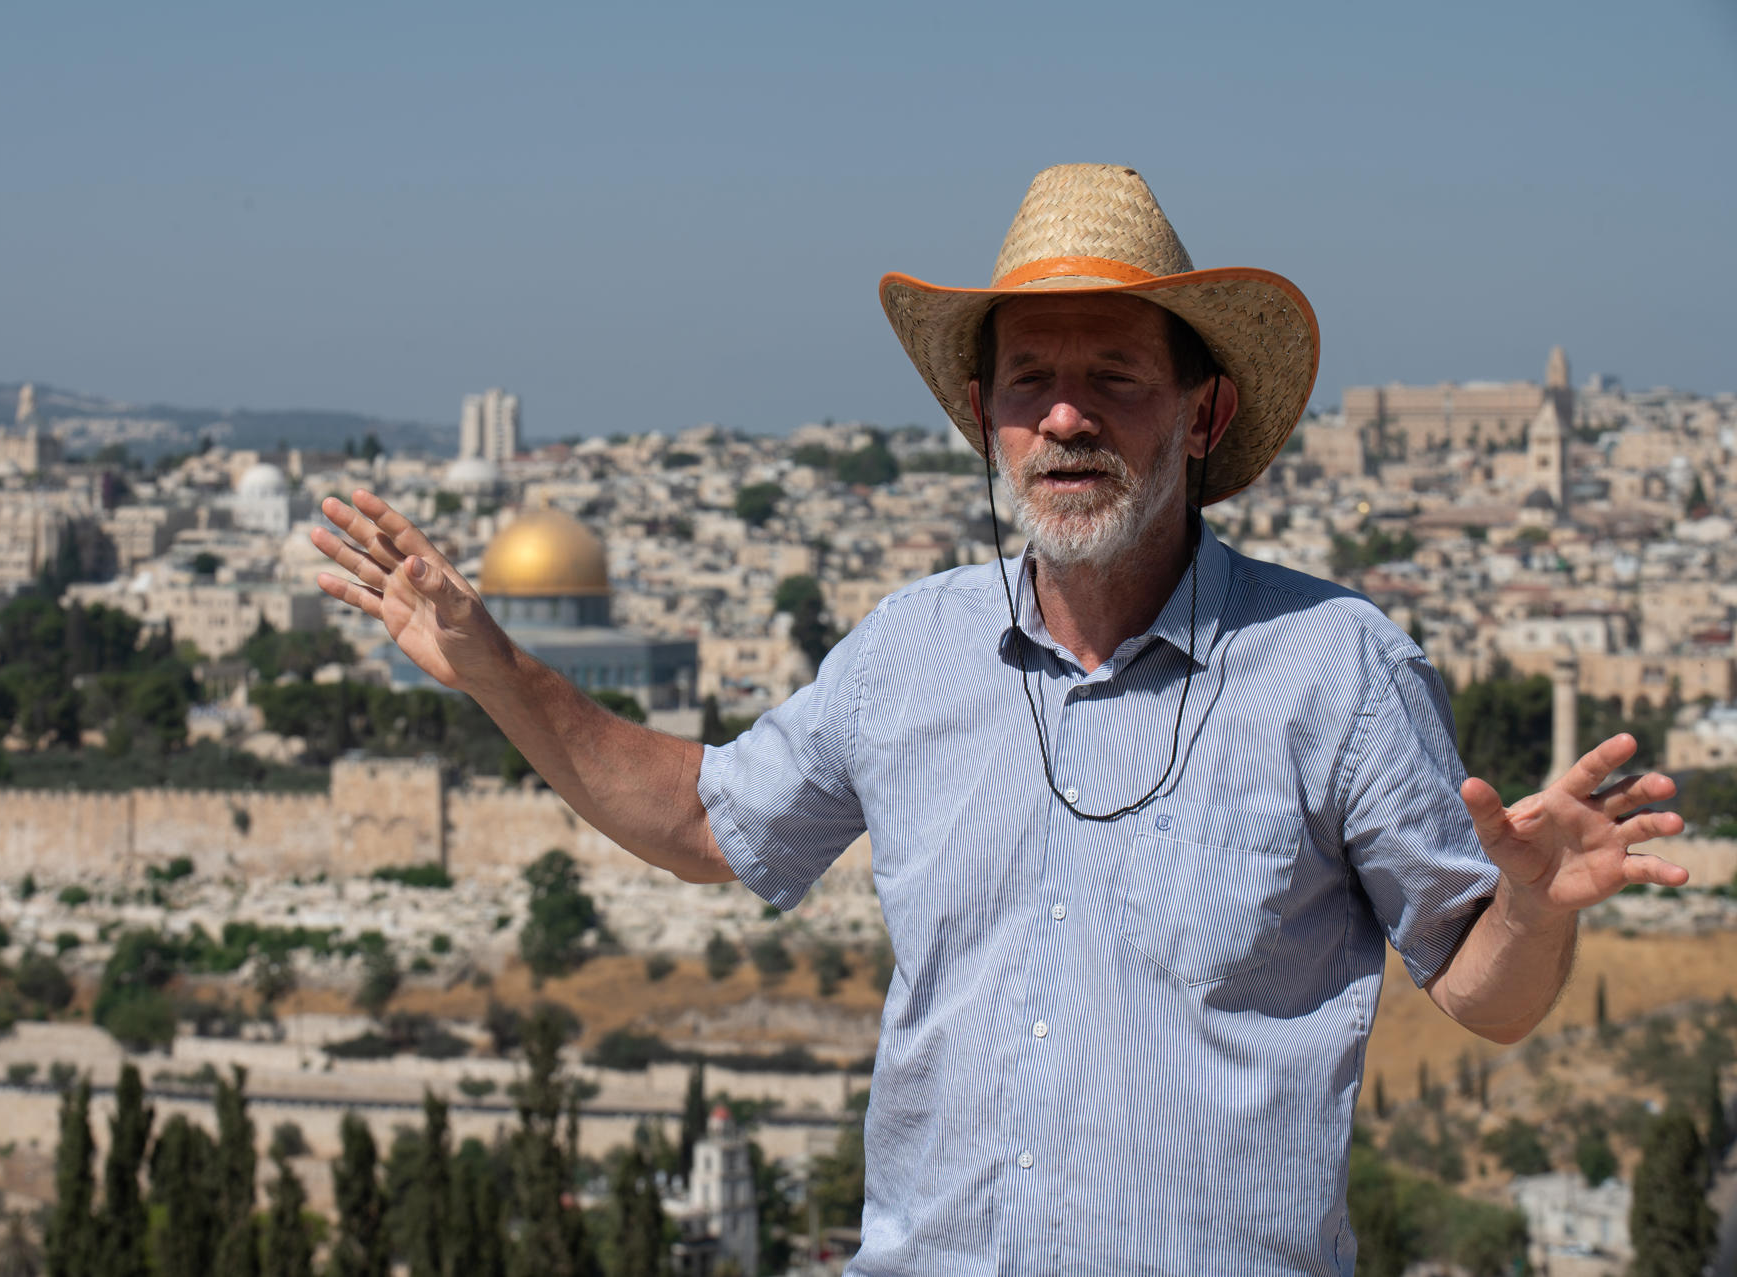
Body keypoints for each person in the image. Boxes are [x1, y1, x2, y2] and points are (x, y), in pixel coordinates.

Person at [310, 164, 1689, 1275]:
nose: (1067, 416)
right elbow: (698, 820)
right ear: (985, 416)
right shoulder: (909, 652)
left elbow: (1484, 994)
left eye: (1117, 377)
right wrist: (494, 665)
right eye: (1031, 379)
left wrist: (1534, 907)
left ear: (1201, 413)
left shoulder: (1335, 670)